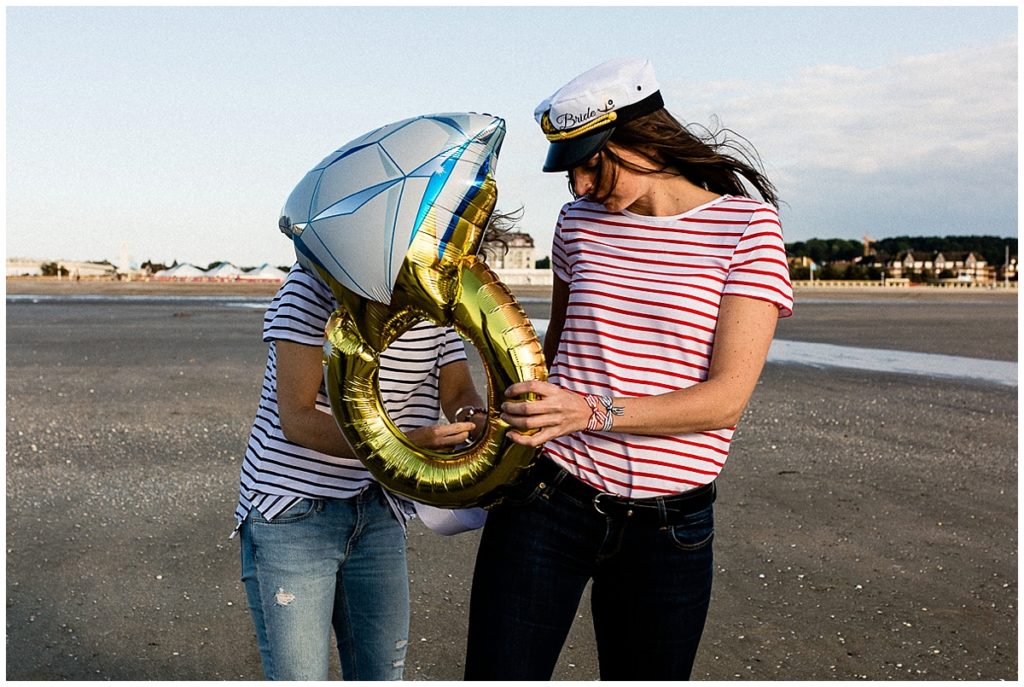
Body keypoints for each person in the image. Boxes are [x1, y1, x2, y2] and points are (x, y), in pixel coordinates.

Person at [464, 58, 794, 681]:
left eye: (595, 163)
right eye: (572, 172)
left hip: (670, 527)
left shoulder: (746, 228)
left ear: (643, 137)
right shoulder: (577, 226)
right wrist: (510, 410)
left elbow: (725, 400)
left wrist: (590, 411)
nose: (583, 186)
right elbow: (554, 358)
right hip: (547, 498)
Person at [234, 261, 487, 681]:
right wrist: (400, 445)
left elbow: (458, 389)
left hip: (378, 507)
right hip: (292, 509)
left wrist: (473, 418)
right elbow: (297, 421)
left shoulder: (439, 290)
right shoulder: (313, 282)